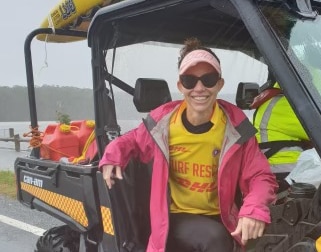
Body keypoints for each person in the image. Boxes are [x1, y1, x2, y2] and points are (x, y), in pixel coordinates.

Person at [99, 37, 277, 252]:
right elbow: (132, 140)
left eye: (209, 79)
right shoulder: (162, 124)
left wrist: (254, 208)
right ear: (180, 86)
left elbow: (259, 176)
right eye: (190, 81)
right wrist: (113, 154)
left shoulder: (236, 128)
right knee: (215, 239)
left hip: (223, 216)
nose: (199, 88)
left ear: (220, 84)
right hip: (175, 216)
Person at [251, 82, 313, 190]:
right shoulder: (282, 104)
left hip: (278, 172)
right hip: (283, 174)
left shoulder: (275, 100)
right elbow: (320, 127)